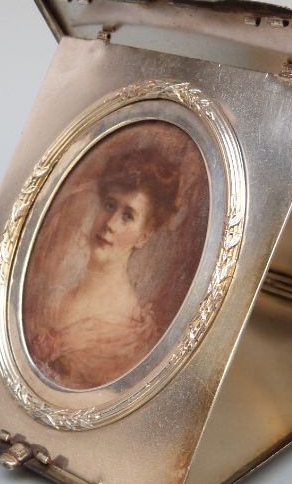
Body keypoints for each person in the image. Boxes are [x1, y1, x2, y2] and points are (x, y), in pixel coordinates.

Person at [28, 146, 180, 389]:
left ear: (144, 236)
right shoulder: (56, 297)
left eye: (128, 216)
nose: (110, 223)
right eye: (109, 205)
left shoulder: (127, 334)